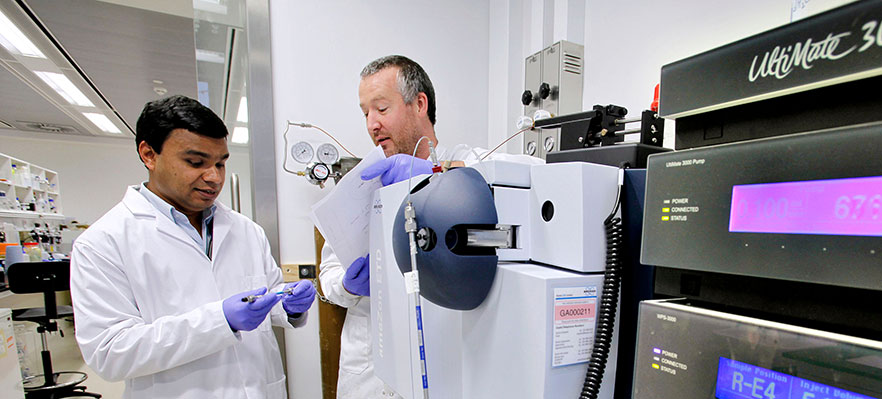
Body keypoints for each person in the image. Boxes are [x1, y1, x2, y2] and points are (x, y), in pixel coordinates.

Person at [319, 55, 540, 398]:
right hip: (368, 373)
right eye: (365, 113)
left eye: (381, 108)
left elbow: (538, 170)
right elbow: (329, 273)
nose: (371, 124)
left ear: (419, 103)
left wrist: (441, 174)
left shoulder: (468, 161)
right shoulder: (362, 184)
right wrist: (348, 286)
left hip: (444, 360)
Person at [71, 95, 316, 399]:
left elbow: (266, 301)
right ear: (149, 154)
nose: (213, 177)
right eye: (196, 163)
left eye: (220, 164)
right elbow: (110, 353)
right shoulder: (102, 243)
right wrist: (219, 321)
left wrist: (288, 307)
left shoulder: (246, 230)